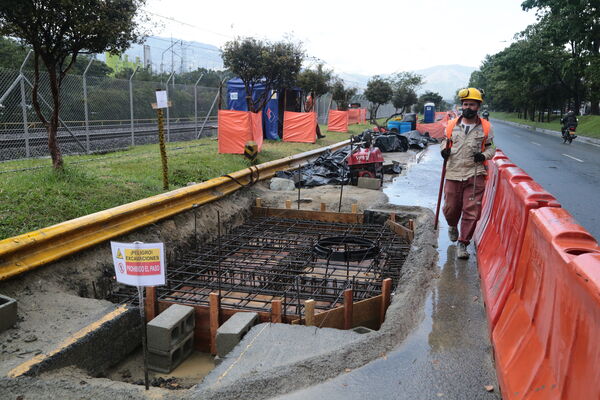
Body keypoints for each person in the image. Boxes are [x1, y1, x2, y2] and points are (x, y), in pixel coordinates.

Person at [440, 88, 495, 259]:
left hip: (475, 173)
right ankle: (451, 225)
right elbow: (445, 141)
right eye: (465, 104)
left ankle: (463, 243)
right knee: (451, 209)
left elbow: (492, 147)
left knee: (472, 211)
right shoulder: (451, 125)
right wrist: (444, 150)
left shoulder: (486, 127)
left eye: (472, 104)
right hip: (453, 172)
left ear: (478, 106)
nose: (468, 107)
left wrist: (483, 155)